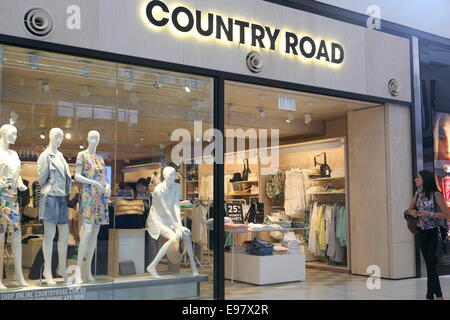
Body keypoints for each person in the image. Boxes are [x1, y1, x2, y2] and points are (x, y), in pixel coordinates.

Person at [406, 170, 450, 300]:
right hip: (422, 232)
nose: (415, 179)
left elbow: (447, 215)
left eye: (418, 177)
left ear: (425, 179)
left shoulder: (436, 195)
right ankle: (438, 296)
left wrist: (430, 214)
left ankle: (431, 295)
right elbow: (409, 209)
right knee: (429, 265)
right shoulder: (418, 194)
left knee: (431, 264)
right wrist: (412, 213)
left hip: (434, 232)